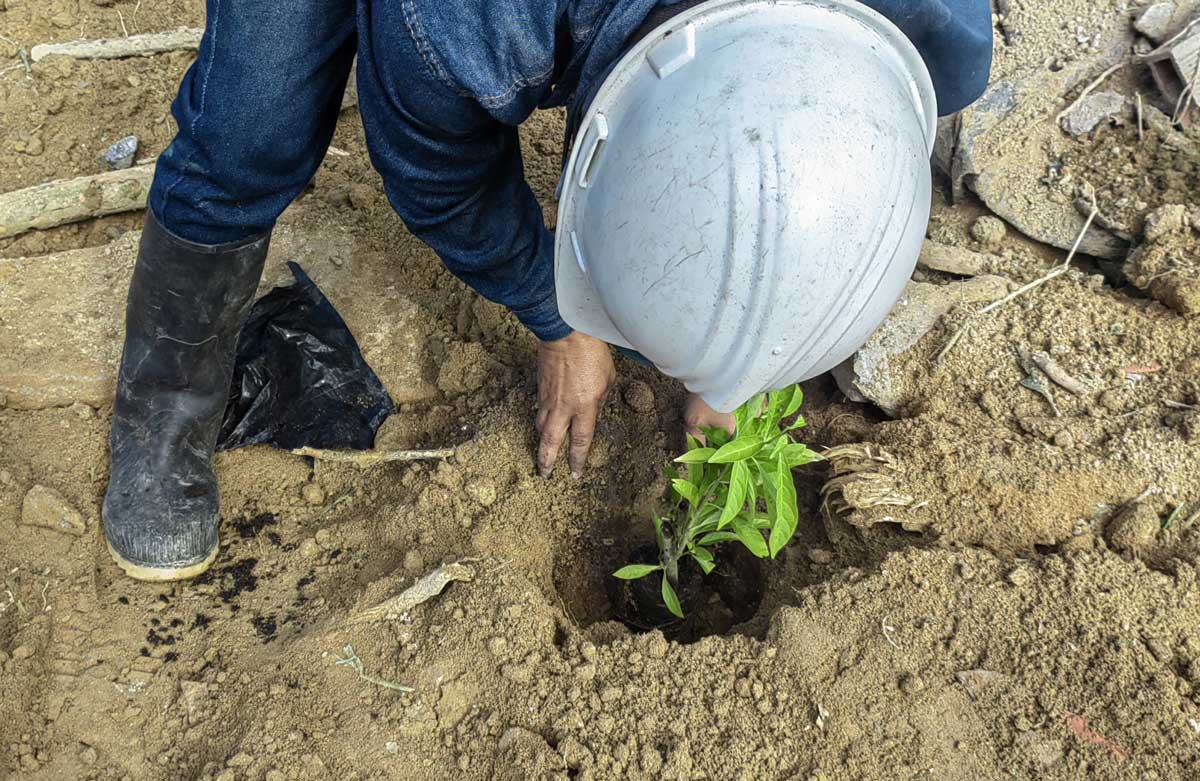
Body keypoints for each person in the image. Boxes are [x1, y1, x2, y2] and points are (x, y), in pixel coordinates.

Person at [103, 0, 992, 581]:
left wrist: (740, 362)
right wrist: (559, 317)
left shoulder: (933, 25)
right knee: (252, 133)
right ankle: (163, 409)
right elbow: (437, 179)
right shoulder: (456, 25)